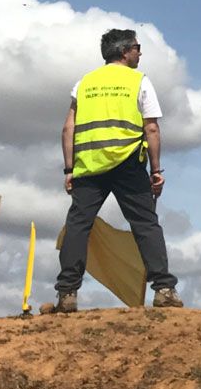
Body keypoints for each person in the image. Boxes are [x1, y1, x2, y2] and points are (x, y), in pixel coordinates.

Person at [53, 28, 181, 312]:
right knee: (145, 224)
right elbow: (151, 127)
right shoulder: (139, 81)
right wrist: (156, 170)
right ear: (125, 52)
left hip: (88, 165)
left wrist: (69, 169)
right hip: (128, 163)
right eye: (137, 47)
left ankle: (67, 294)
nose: (140, 52)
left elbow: (67, 128)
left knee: (78, 226)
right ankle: (163, 289)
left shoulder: (84, 83)